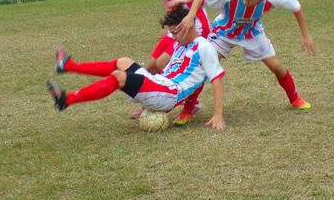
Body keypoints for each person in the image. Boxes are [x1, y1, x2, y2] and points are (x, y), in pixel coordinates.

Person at [47, 7, 226, 130]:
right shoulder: (181, 43)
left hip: (169, 94)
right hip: (160, 84)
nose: (173, 36)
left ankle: (66, 99)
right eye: (171, 32)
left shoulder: (205, 47)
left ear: (189, 27)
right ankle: (69, 66)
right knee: (124, 62)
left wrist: (218, 115)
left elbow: (216, 80)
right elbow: (161, 66)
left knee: (119, 77)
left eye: (175, 32)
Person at [169, 0, 317, 110]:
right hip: (224, 33)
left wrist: (306, 34)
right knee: (205, 67)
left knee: (276, 67)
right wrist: (190, 16)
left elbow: (296, 6)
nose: (245, 1)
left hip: (251, 32)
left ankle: (295, 99)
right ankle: (188, 110)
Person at [133, 0, 211, 124]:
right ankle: (149, 104)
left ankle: (190, 107)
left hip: (193, 29)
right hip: (174, 30)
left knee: (184, 69)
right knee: (152, 66)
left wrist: (182, 1)